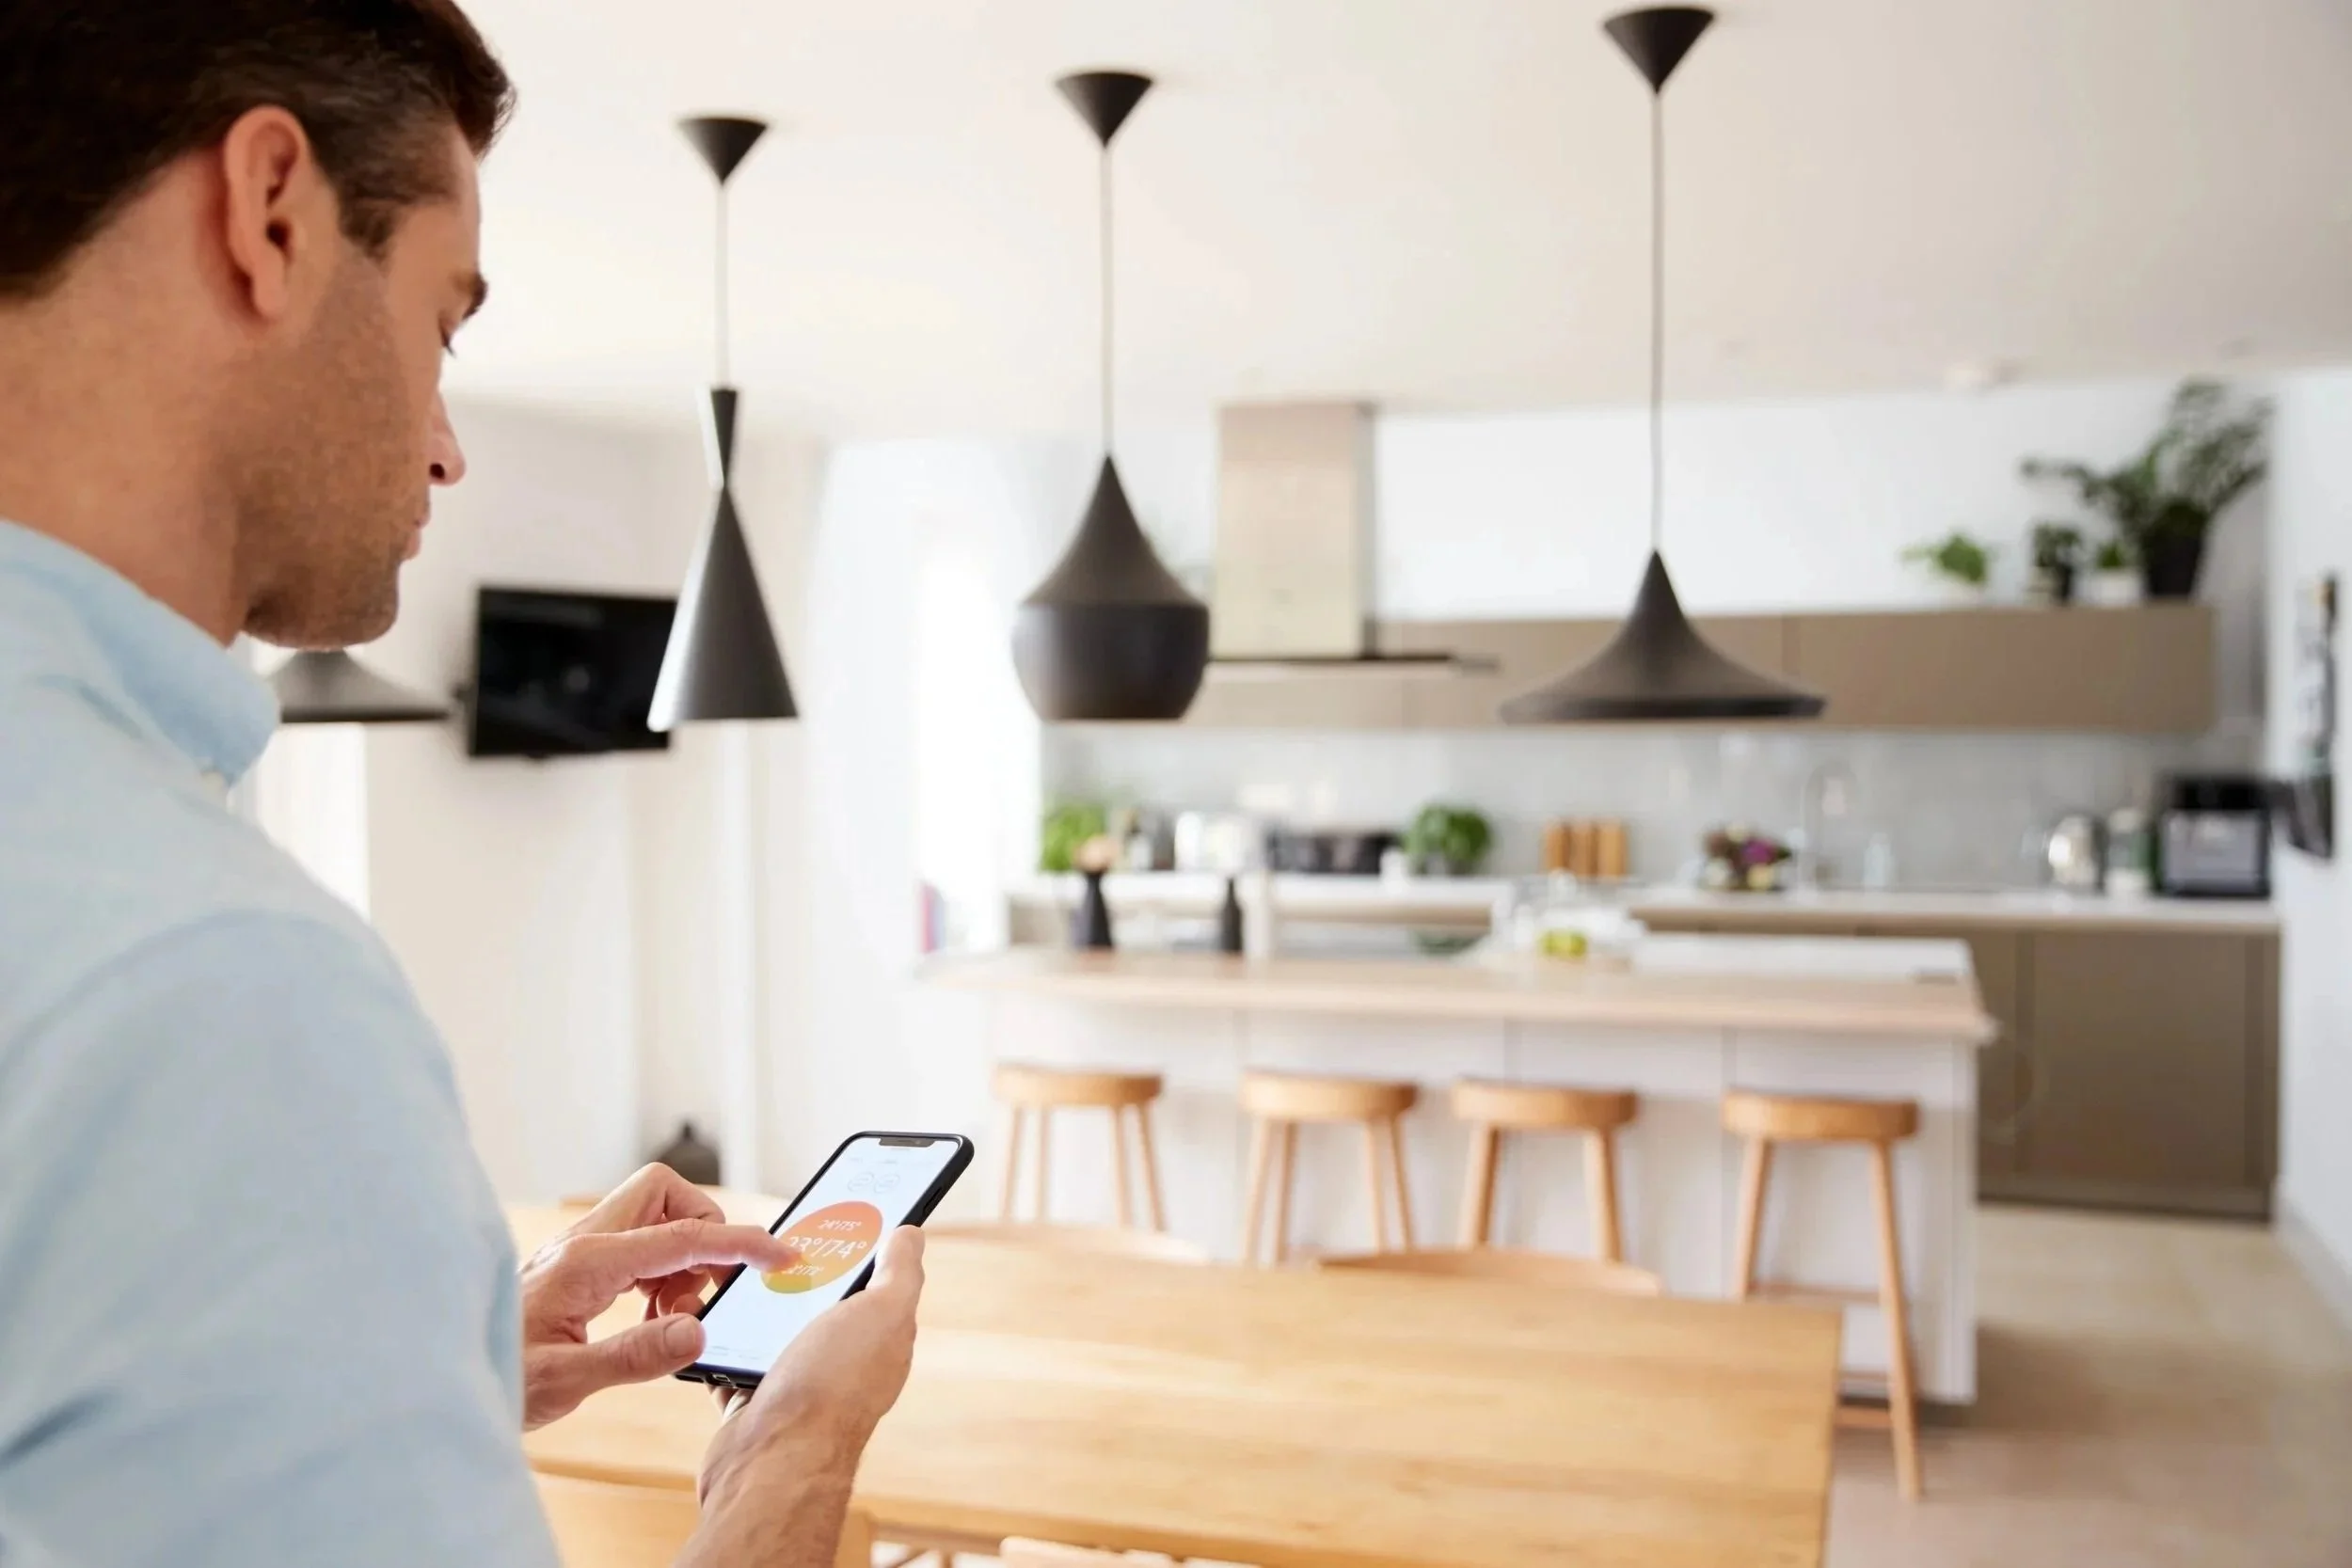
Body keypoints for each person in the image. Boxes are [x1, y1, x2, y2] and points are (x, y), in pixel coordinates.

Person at [0, 5, 924, 1564]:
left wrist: (410, 1367)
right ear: (271, 213)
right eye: (443, 320)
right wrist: (792, 1453)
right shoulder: (225, 990)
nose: (447, 448)